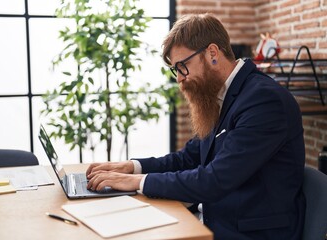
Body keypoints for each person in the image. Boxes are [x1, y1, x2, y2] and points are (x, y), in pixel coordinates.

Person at [86, 13, 305, 240]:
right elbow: (188, 158)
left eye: (183, 66)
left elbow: (214, 179)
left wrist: (136, 182)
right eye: (176, 70)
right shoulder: (219, 96)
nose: (179, 78)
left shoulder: (263, 101)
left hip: (248, 233)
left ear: (212, 53)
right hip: (212, 220)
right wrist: (132, 167)